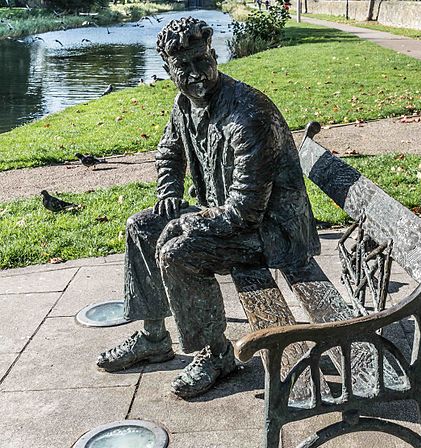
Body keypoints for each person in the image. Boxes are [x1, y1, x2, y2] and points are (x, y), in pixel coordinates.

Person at [97, 17, 320, 399]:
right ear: (169, 70)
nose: (197, 74)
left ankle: (217, 354)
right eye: (184, 67)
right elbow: (169, 151)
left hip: (273, 232)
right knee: (141, 226)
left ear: (213, 55)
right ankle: (153, 337)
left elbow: (246, 212)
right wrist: (169, 192)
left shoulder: (248, 115)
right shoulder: (184, 104)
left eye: (202, 61)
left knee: (178, 252)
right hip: (229, 216)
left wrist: (190, 224)